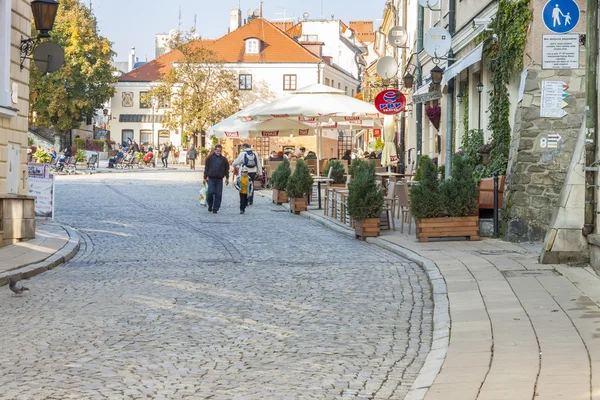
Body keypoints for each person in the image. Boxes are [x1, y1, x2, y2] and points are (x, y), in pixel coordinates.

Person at [203, 144, 230, 214]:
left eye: (220, 151)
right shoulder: (210, 158)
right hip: (211, 178)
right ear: (215, 150)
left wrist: (227, 178)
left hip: (219, 179)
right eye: (217, 150)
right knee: (210, 193)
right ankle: (210, 204)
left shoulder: (224, 159)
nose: (218, 152)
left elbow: (227, 169)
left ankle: (215, 208)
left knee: (218, 194)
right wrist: (204, 177)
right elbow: (206, 168)